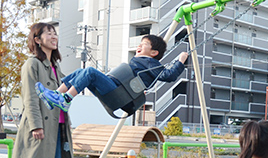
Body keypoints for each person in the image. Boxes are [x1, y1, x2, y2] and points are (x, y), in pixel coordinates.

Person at [5, 23, 74, 158]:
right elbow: (30, 98)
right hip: (39, 127)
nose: (54, 36)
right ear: (37, 39)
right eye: (49, 33)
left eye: (55, 33)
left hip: (57, 127)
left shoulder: (55, 66)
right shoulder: (32, 64)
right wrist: (35, 126)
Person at [35, 34, 189, 112]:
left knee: (89, 71)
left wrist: (180, 61)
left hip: (120, 94)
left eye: (144, 45)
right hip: (116, 90)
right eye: (140, 44)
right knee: (80, 72)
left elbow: (169, 75)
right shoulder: (144, 61)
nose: (139, 46)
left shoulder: (151, 63)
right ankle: (55, 95)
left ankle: (66, 99)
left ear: (154, 52)